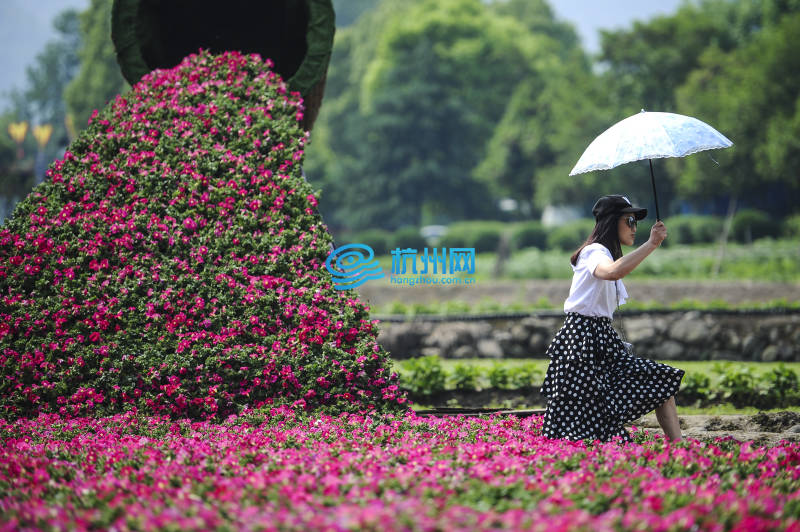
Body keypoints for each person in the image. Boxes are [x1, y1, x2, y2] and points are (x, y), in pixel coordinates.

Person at [540, 194, 684, 443]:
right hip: (582, 342)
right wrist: (651, 244)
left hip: (600, 339)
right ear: (610, 222)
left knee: (661, 383)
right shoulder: (594, 252)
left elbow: (615, 268)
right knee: (583, 426)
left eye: (635, 222)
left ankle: (680, 448)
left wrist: (650, 245)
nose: (634, 228)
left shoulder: (604, 252)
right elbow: (612, 271)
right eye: (629, 221)